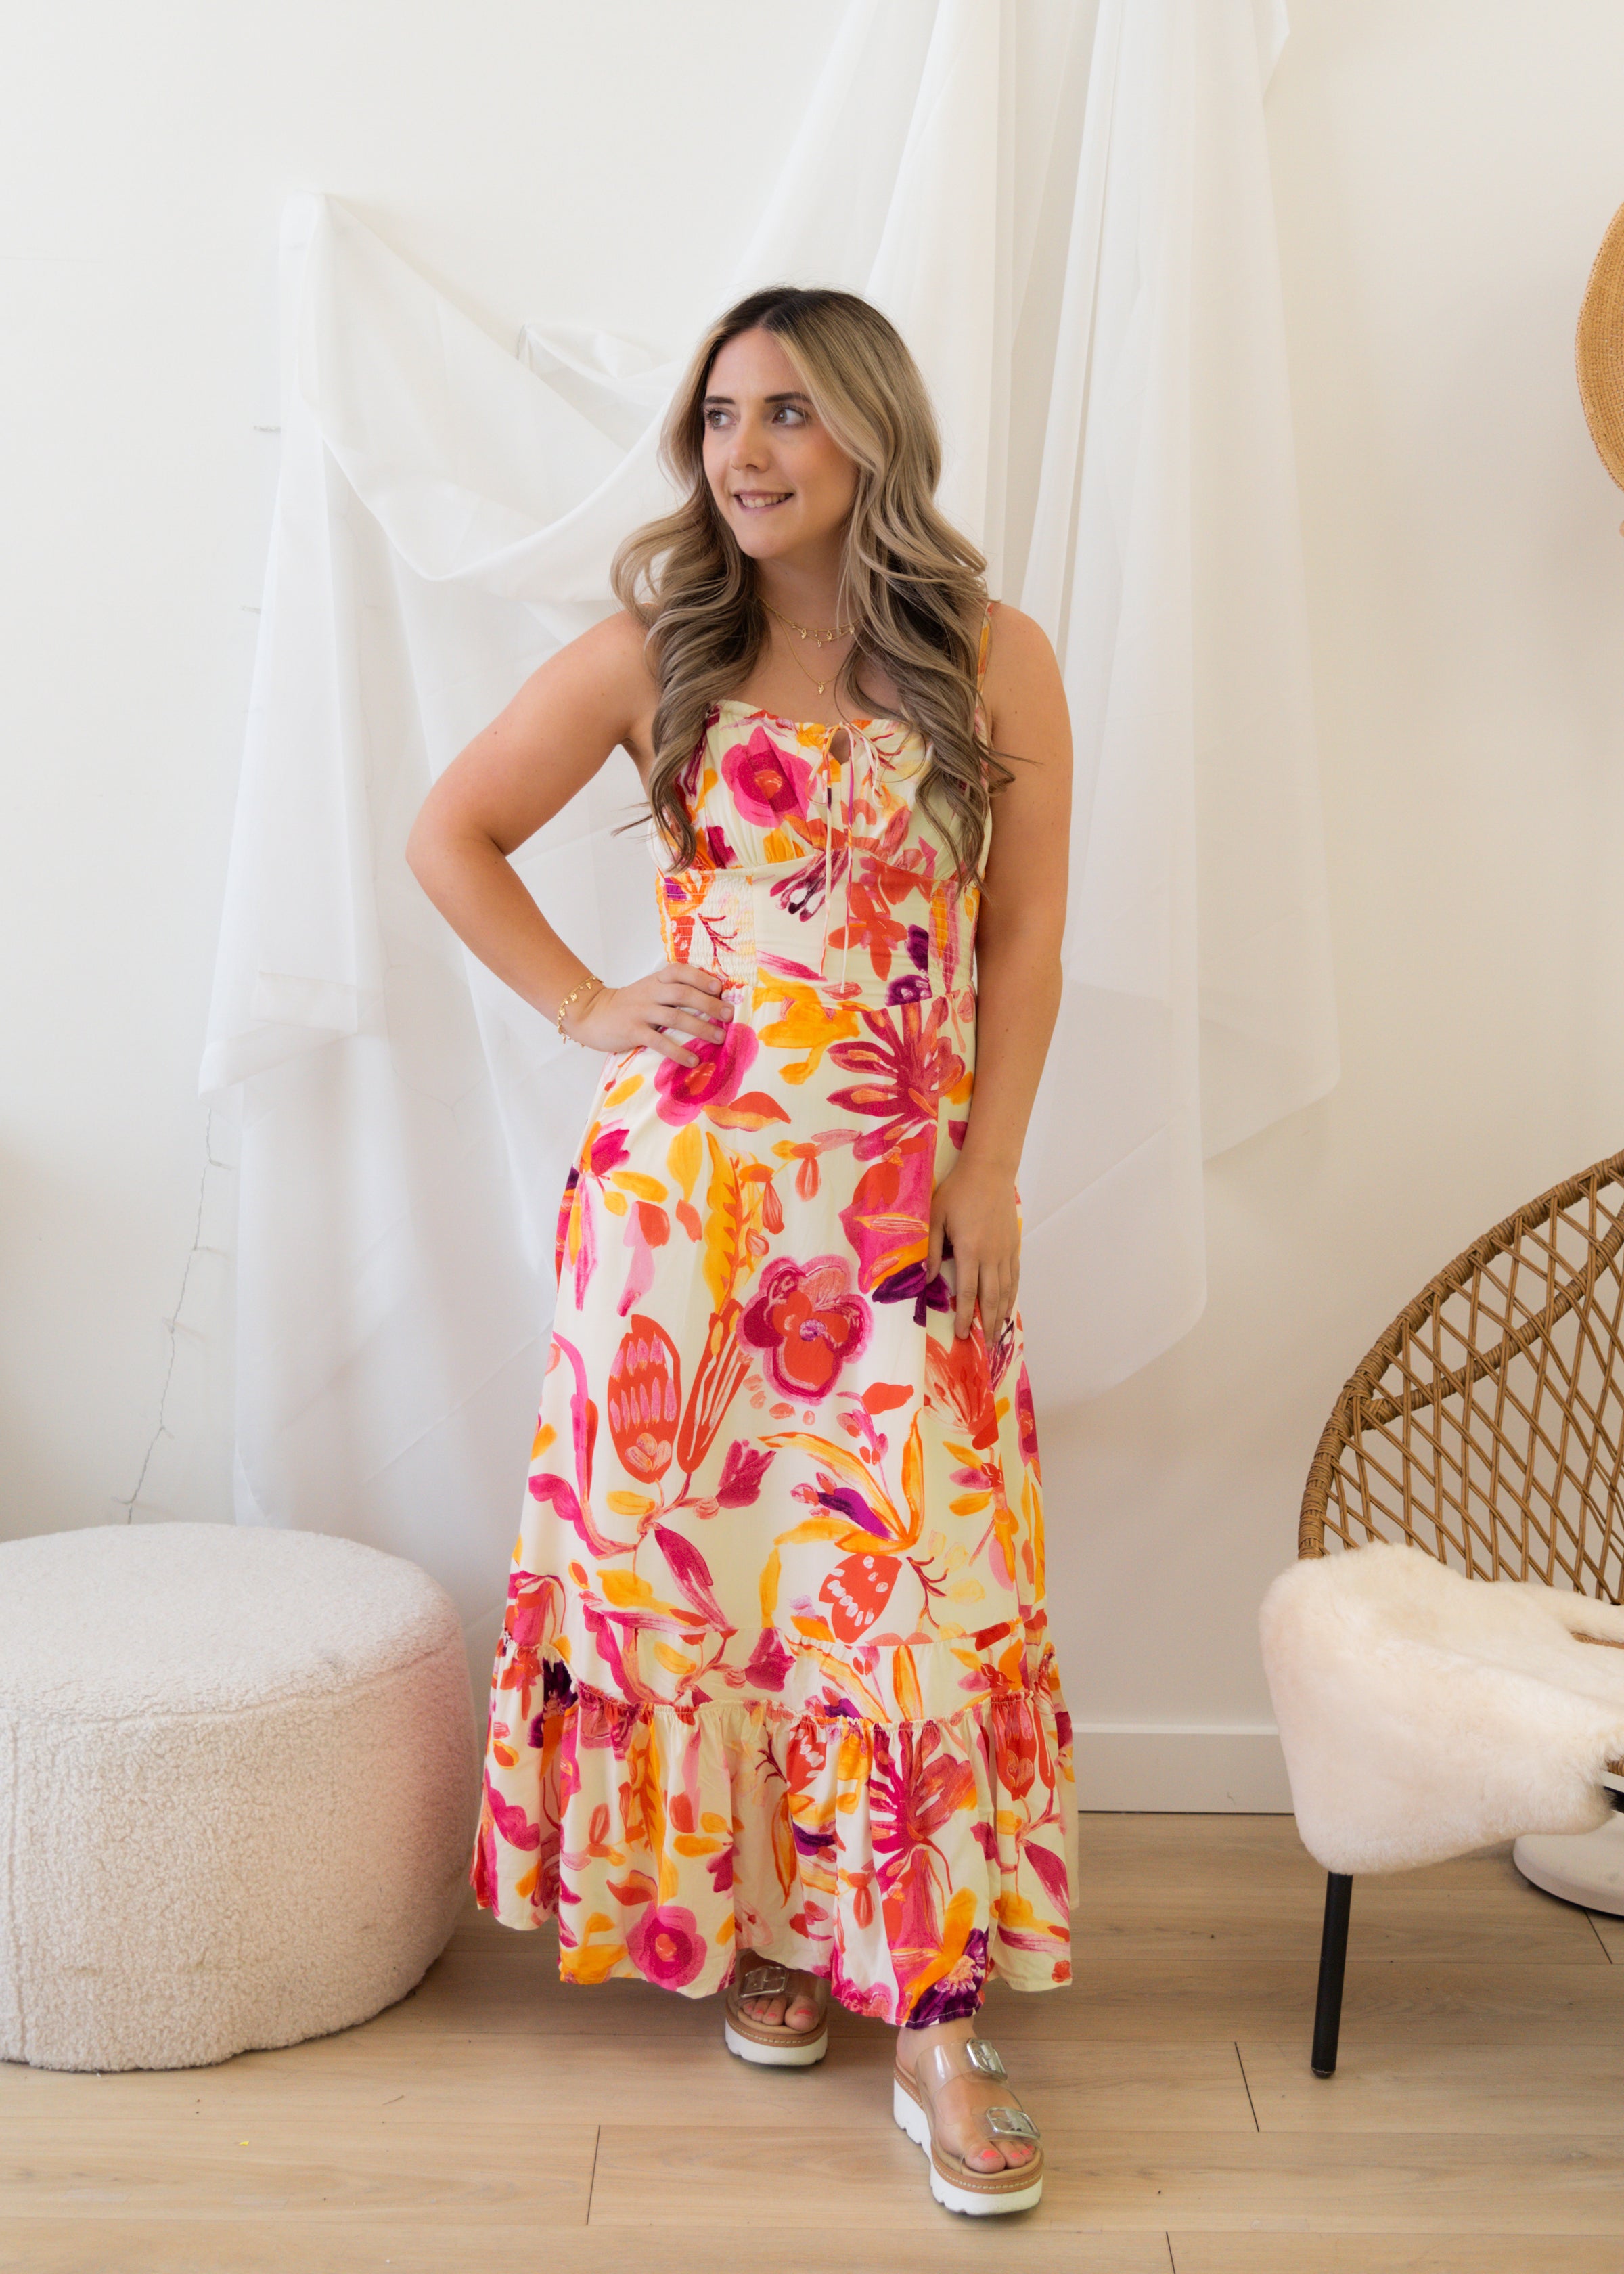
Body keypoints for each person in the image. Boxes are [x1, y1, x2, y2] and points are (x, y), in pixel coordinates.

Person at [407, 284, 1076, 2218]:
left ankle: (937, 2025)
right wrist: (585, 1002)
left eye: (786, 411)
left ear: (872, 429)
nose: (745, 451)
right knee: (723, 1585)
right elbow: (453, 832)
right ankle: (779, 1929)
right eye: (718, 416)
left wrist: (992, 1168)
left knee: (909, 1589)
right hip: (685, 1218)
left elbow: (1024, 936)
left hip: (897, 1216)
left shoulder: (991, 654)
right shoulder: (663, 650)